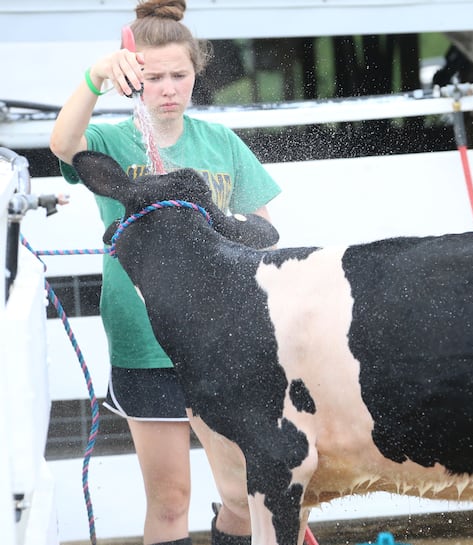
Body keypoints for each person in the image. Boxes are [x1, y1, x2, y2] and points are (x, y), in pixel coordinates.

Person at [49, 1, 281, 544]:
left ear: (197, 73)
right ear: (133, 78)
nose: (168, 88)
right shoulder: (110, 141)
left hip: (225, 342)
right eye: (153, 77)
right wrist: (95, 76)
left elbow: (265, 229)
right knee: (171, 501)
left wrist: (220, 223)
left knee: (247, 496)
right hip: (145, 344)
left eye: (180, 75)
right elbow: (62, 144)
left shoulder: (220, 143)